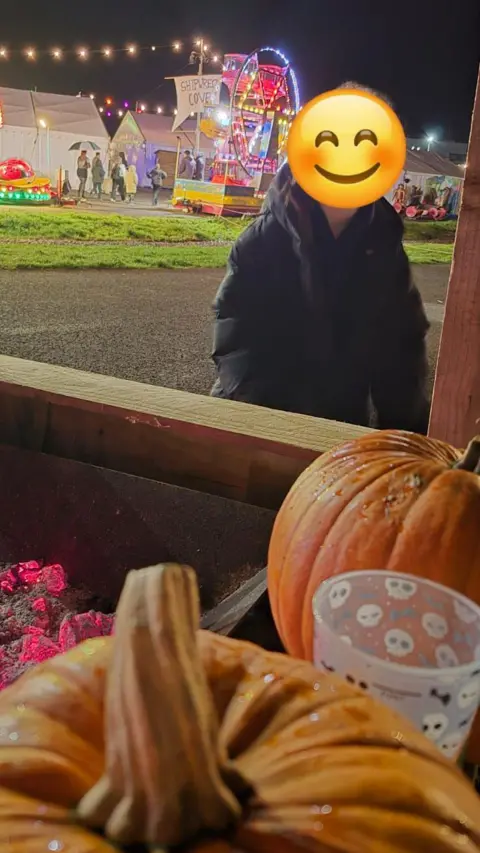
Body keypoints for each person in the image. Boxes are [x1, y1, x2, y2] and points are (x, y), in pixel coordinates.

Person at [210, 85, 430, 434]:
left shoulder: (385, 248)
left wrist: (406, 434)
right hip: (264, 420)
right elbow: (237, 336)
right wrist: (264, 424)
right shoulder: (262, 241)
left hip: (341, 424)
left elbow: (402, 347)